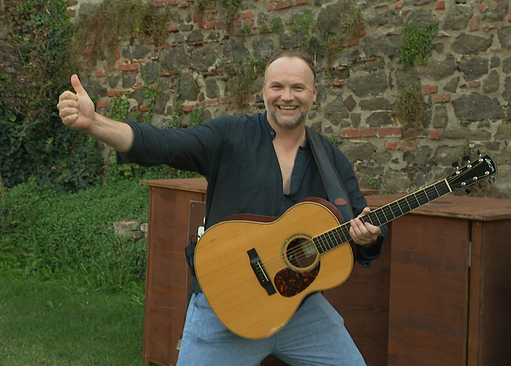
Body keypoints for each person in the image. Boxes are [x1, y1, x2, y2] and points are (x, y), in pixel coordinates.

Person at [57, 50, 387, 366]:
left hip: (300, 309)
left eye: (298, 87)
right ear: (264, 91)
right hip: (225, 305)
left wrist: (368, 238)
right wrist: (95, 123)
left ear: (314, 94)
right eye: (278, 86)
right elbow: (164, 144)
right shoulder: (231, 136)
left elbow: (361, 224)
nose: (287, 96)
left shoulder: (331, 160)